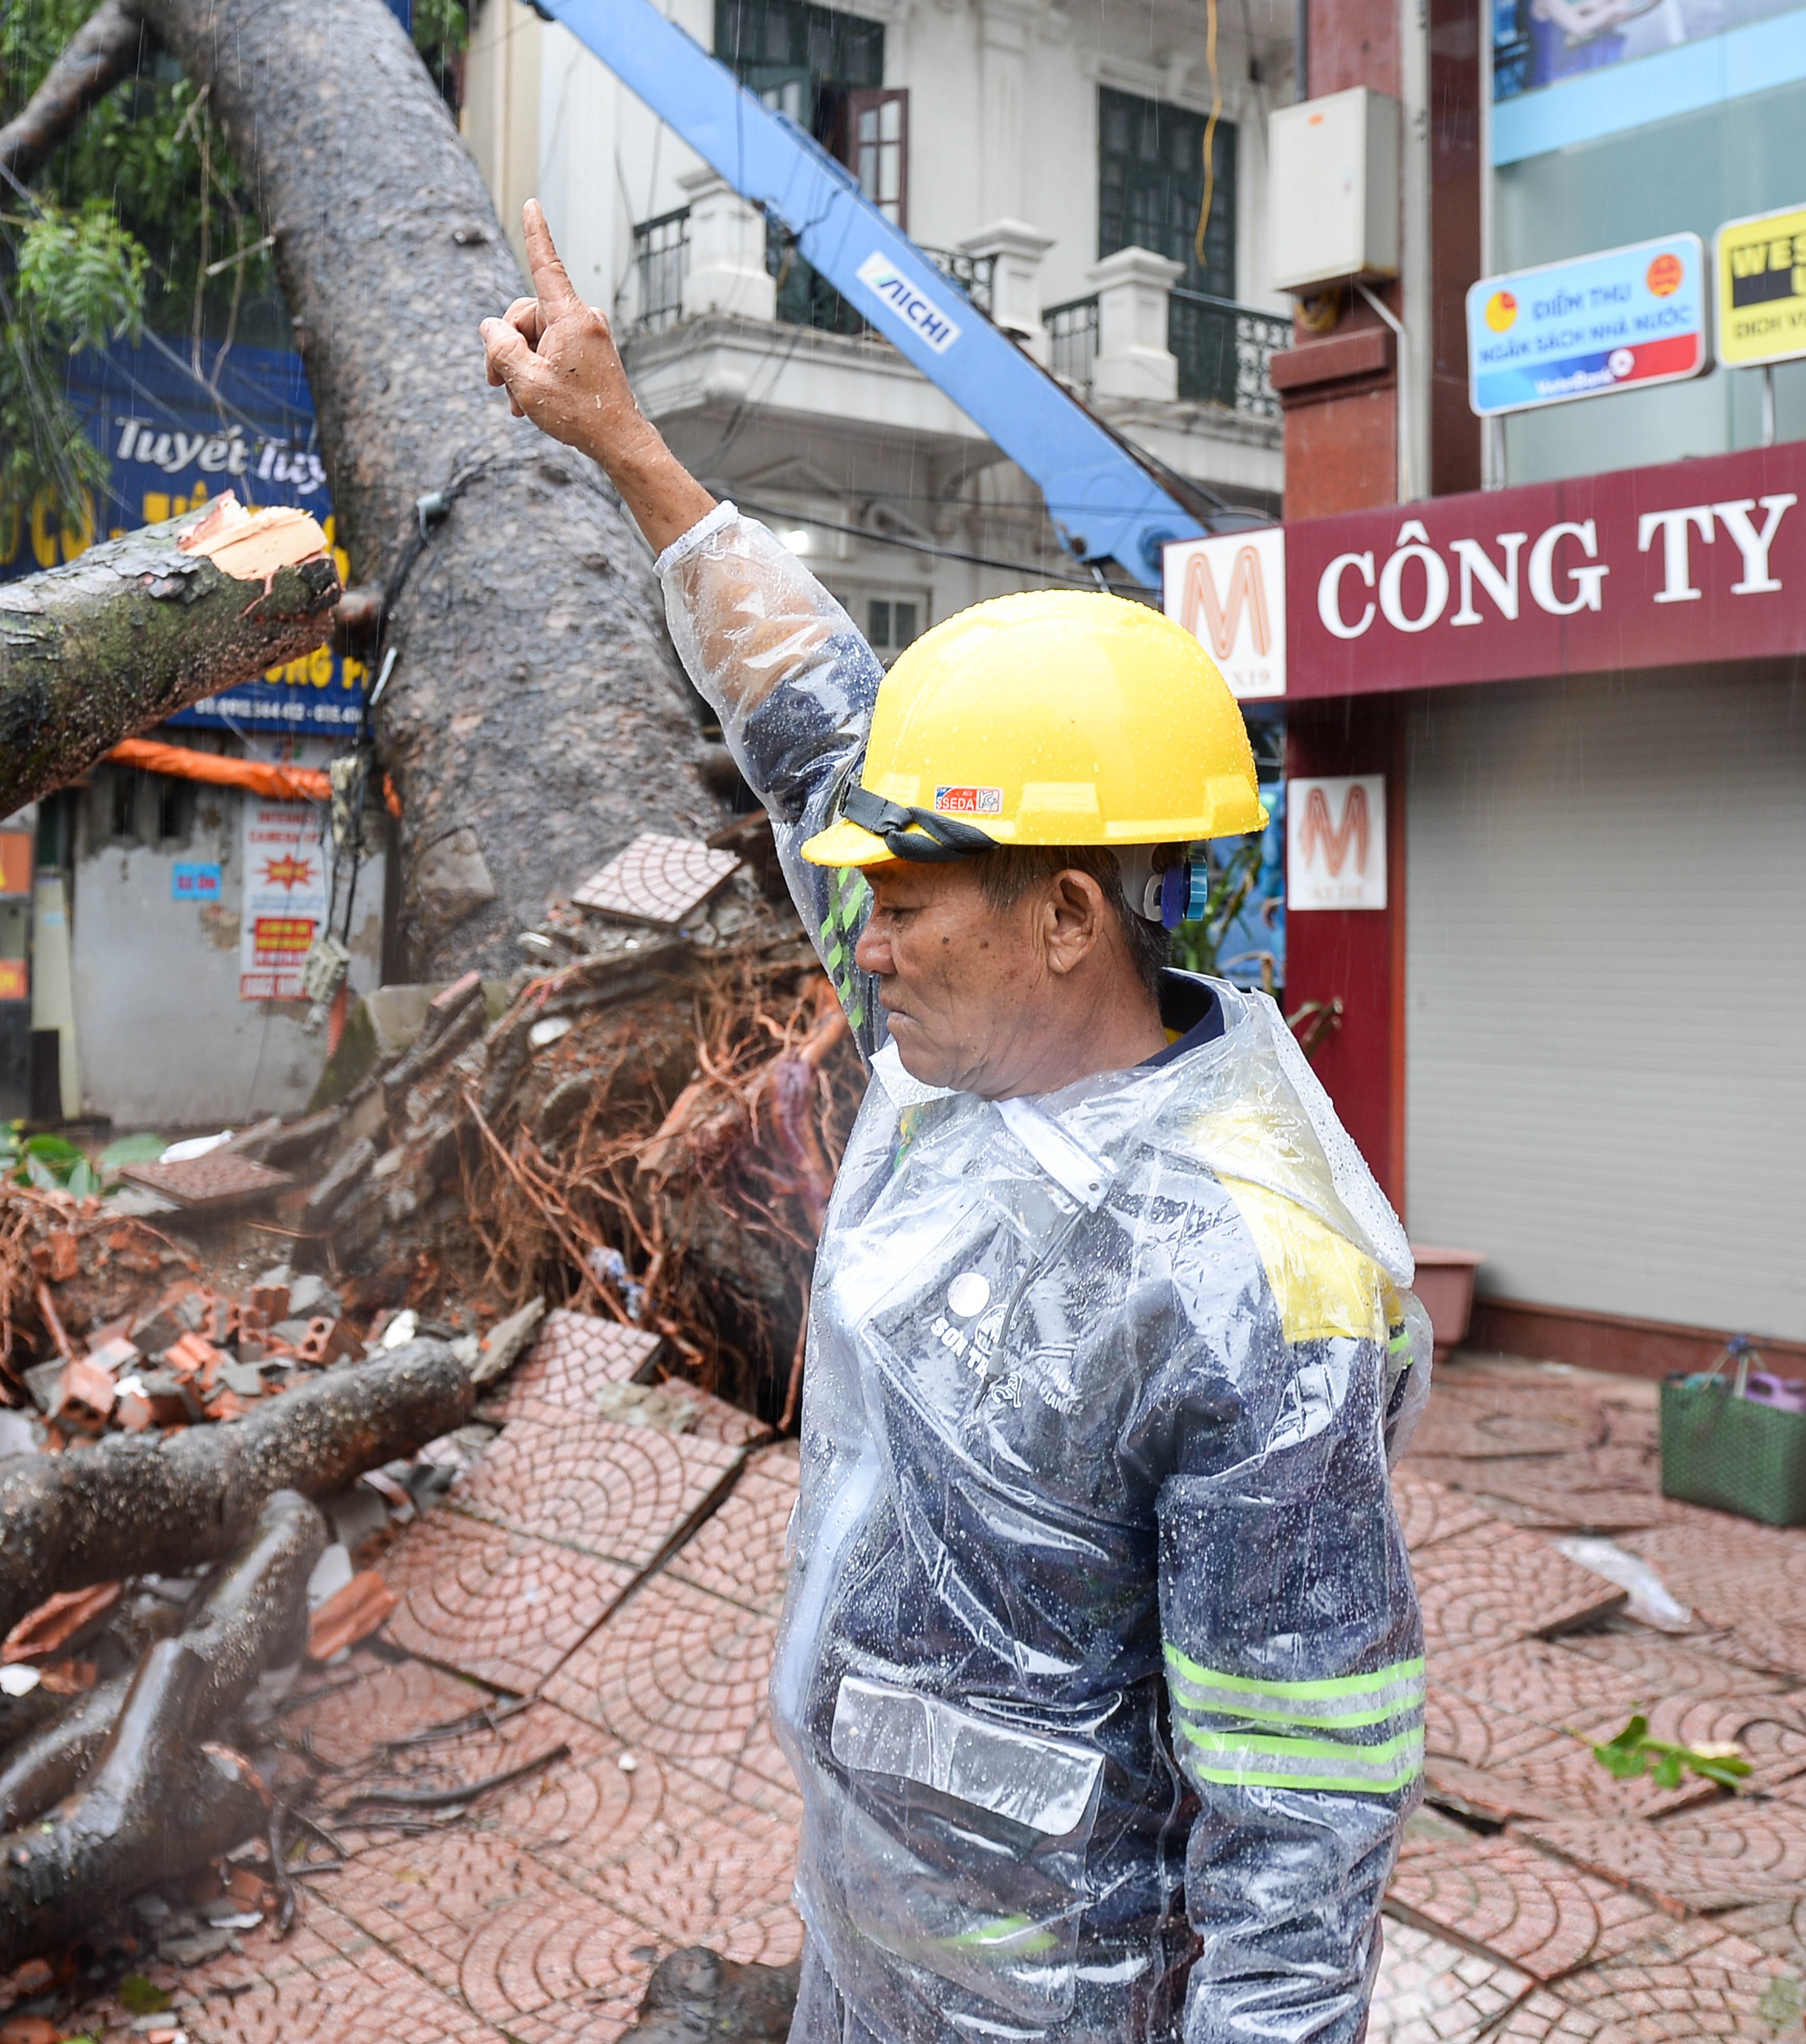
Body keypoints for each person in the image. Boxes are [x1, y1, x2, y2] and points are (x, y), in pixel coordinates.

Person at [481, 201, 1431, 2044]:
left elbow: (1303, 1827)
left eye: (903, 897)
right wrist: (620, 434)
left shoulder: (1258, 1277)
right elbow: (817, 717)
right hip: (869, 1943)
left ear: (1069, 914)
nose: (862, 928)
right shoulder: (954, 1051)